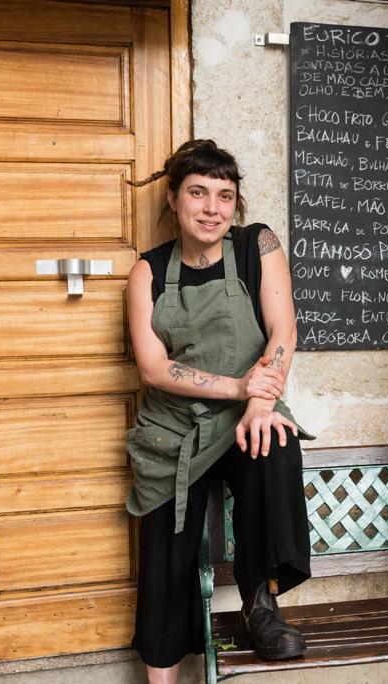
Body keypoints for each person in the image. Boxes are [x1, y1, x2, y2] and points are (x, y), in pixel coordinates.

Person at [124, 139, 312, 683]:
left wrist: (260, 402)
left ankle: (261, 606)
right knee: (166, 550)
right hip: (173, 427)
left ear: (236, 204)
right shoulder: (149, 271)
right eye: (198, 193)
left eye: (224, 196)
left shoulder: (259, 245)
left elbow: (283, 332)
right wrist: (239, 388)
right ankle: (162, 677)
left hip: (244, 415)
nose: (211, 208)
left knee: (277, 443)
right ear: (174, 199)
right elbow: (154, 370)